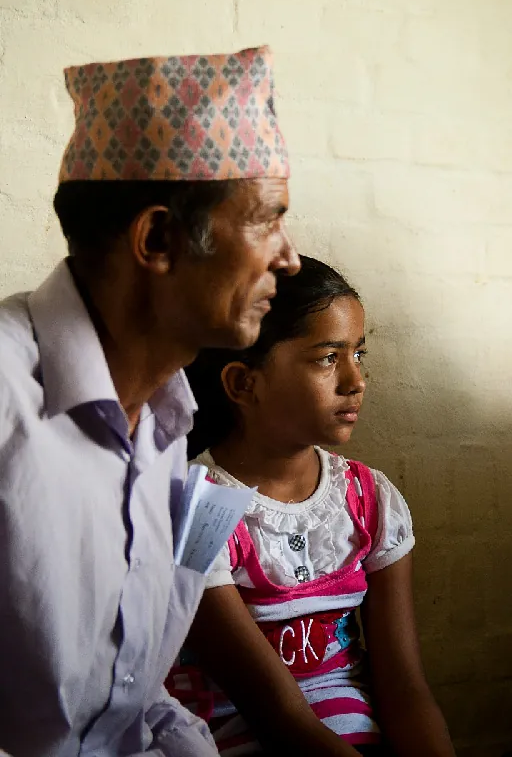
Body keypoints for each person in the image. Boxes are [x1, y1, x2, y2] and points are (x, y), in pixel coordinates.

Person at [0, 46, 300, 755]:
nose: (286, 257)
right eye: (266, 220)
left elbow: (124, 701)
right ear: (159, 238)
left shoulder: (165, 423)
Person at [166, 257, 454, 756]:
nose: (356, 379)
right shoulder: (200, 509)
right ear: (242, 384)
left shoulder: (369, 499)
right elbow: (277, 714)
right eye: (327, 357)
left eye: (359, 354)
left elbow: (405, 692)